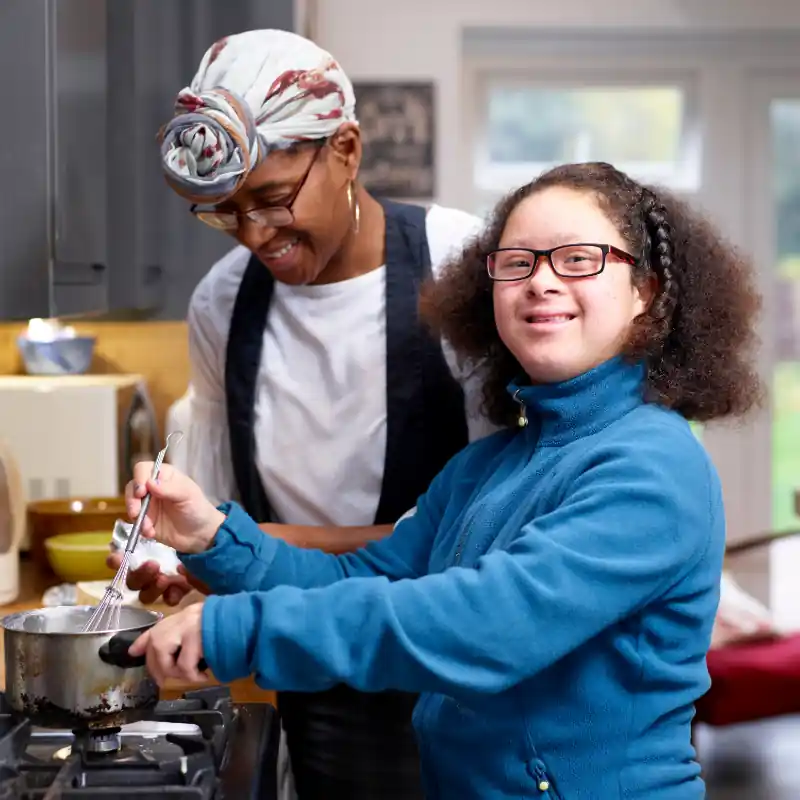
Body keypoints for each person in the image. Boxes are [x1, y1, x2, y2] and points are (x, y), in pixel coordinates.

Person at [124, 161, 762, 798]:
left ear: (644, 292)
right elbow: (362, 579)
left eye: (578, 259)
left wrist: (243, 627)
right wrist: (213, 536)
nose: (541, 281)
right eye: (517, 262)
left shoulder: (654, 466)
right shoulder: (488, 465)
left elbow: (484, 627)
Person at [107, 27, 489, 800]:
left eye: (273, 200)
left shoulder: (459, 265)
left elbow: (482, 538)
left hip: (455, 676)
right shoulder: (224, 299)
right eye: (223, 212)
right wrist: (185, 556)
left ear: (345, 149)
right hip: (308, 665)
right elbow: (217, 503)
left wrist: (246, 544)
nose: (255, 236)